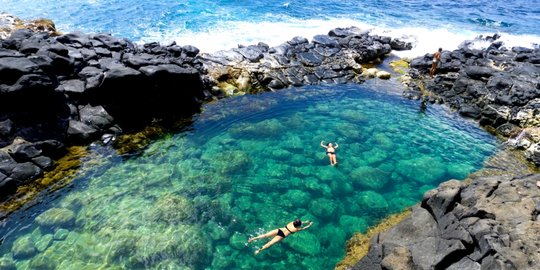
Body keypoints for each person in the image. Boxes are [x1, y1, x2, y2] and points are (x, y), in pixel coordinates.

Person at [248, 219, 313, 255]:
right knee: (270, 243)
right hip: (282, 235)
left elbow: (300, 222)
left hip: (279, 230)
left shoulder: (292, 222)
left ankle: (253, 239)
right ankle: (258, 250)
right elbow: (304, 228)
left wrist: (305, 221)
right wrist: (309, 224)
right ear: (298, 225)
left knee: (265, 235)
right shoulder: (296, 229)